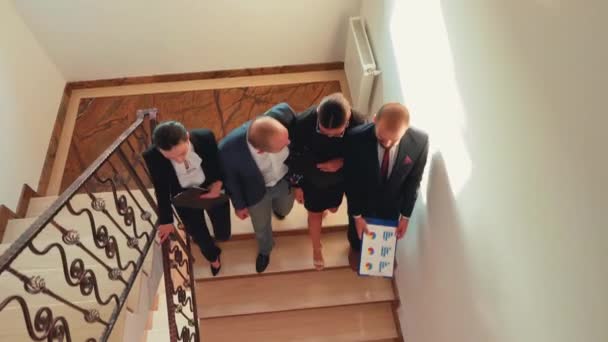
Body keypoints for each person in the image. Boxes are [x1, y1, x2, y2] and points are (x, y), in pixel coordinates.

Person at [344, 102, 429, 271]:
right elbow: (351, 180)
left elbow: (414, 181)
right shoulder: (354, 138)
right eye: (382, 137)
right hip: (362, 201)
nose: (388, 143)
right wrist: (357, 215)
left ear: (406, 130)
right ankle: (355, 249)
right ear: (375, 120)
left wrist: (405, 216)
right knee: (356, 235)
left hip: (392, 205)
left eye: (395, 139)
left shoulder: (420, 142)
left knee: (385, 237)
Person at [143, 121, 231, 277]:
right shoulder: (153, 156)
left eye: (182, 153)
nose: (179, 160)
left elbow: (219, 164)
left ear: (188, 138)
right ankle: (213, 256)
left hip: (211, 189)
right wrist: (166, 220)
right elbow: (161, 187)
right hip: (185, 198)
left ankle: (220, 237)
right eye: (171, 157)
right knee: (198, 234)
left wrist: (218, 184)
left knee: (223, 233)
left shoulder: (205, 137)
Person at [289, 93, 364, 270]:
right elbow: (294, 155)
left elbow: (363, 156)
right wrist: (297, 185)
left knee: (333, 208)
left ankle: (326, 210)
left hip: (340, 180)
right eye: (323, 132)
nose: (329, 138)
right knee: (314, 214)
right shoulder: (302, 123)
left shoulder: (360, 124)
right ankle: (316, 248)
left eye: (336, 135)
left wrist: (343, 161)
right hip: (312, 180)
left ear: (347, 121)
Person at [219, 103, 296, 273]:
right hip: (255, 193)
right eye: (283, 145)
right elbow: (231, 180)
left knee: (285, 208)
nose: (289, 142)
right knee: (261, 226)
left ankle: (280, 212)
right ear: (261, 151)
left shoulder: (285, 114)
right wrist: (239, 205)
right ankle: (265, 250)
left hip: (284, 180)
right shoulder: (228, 151)